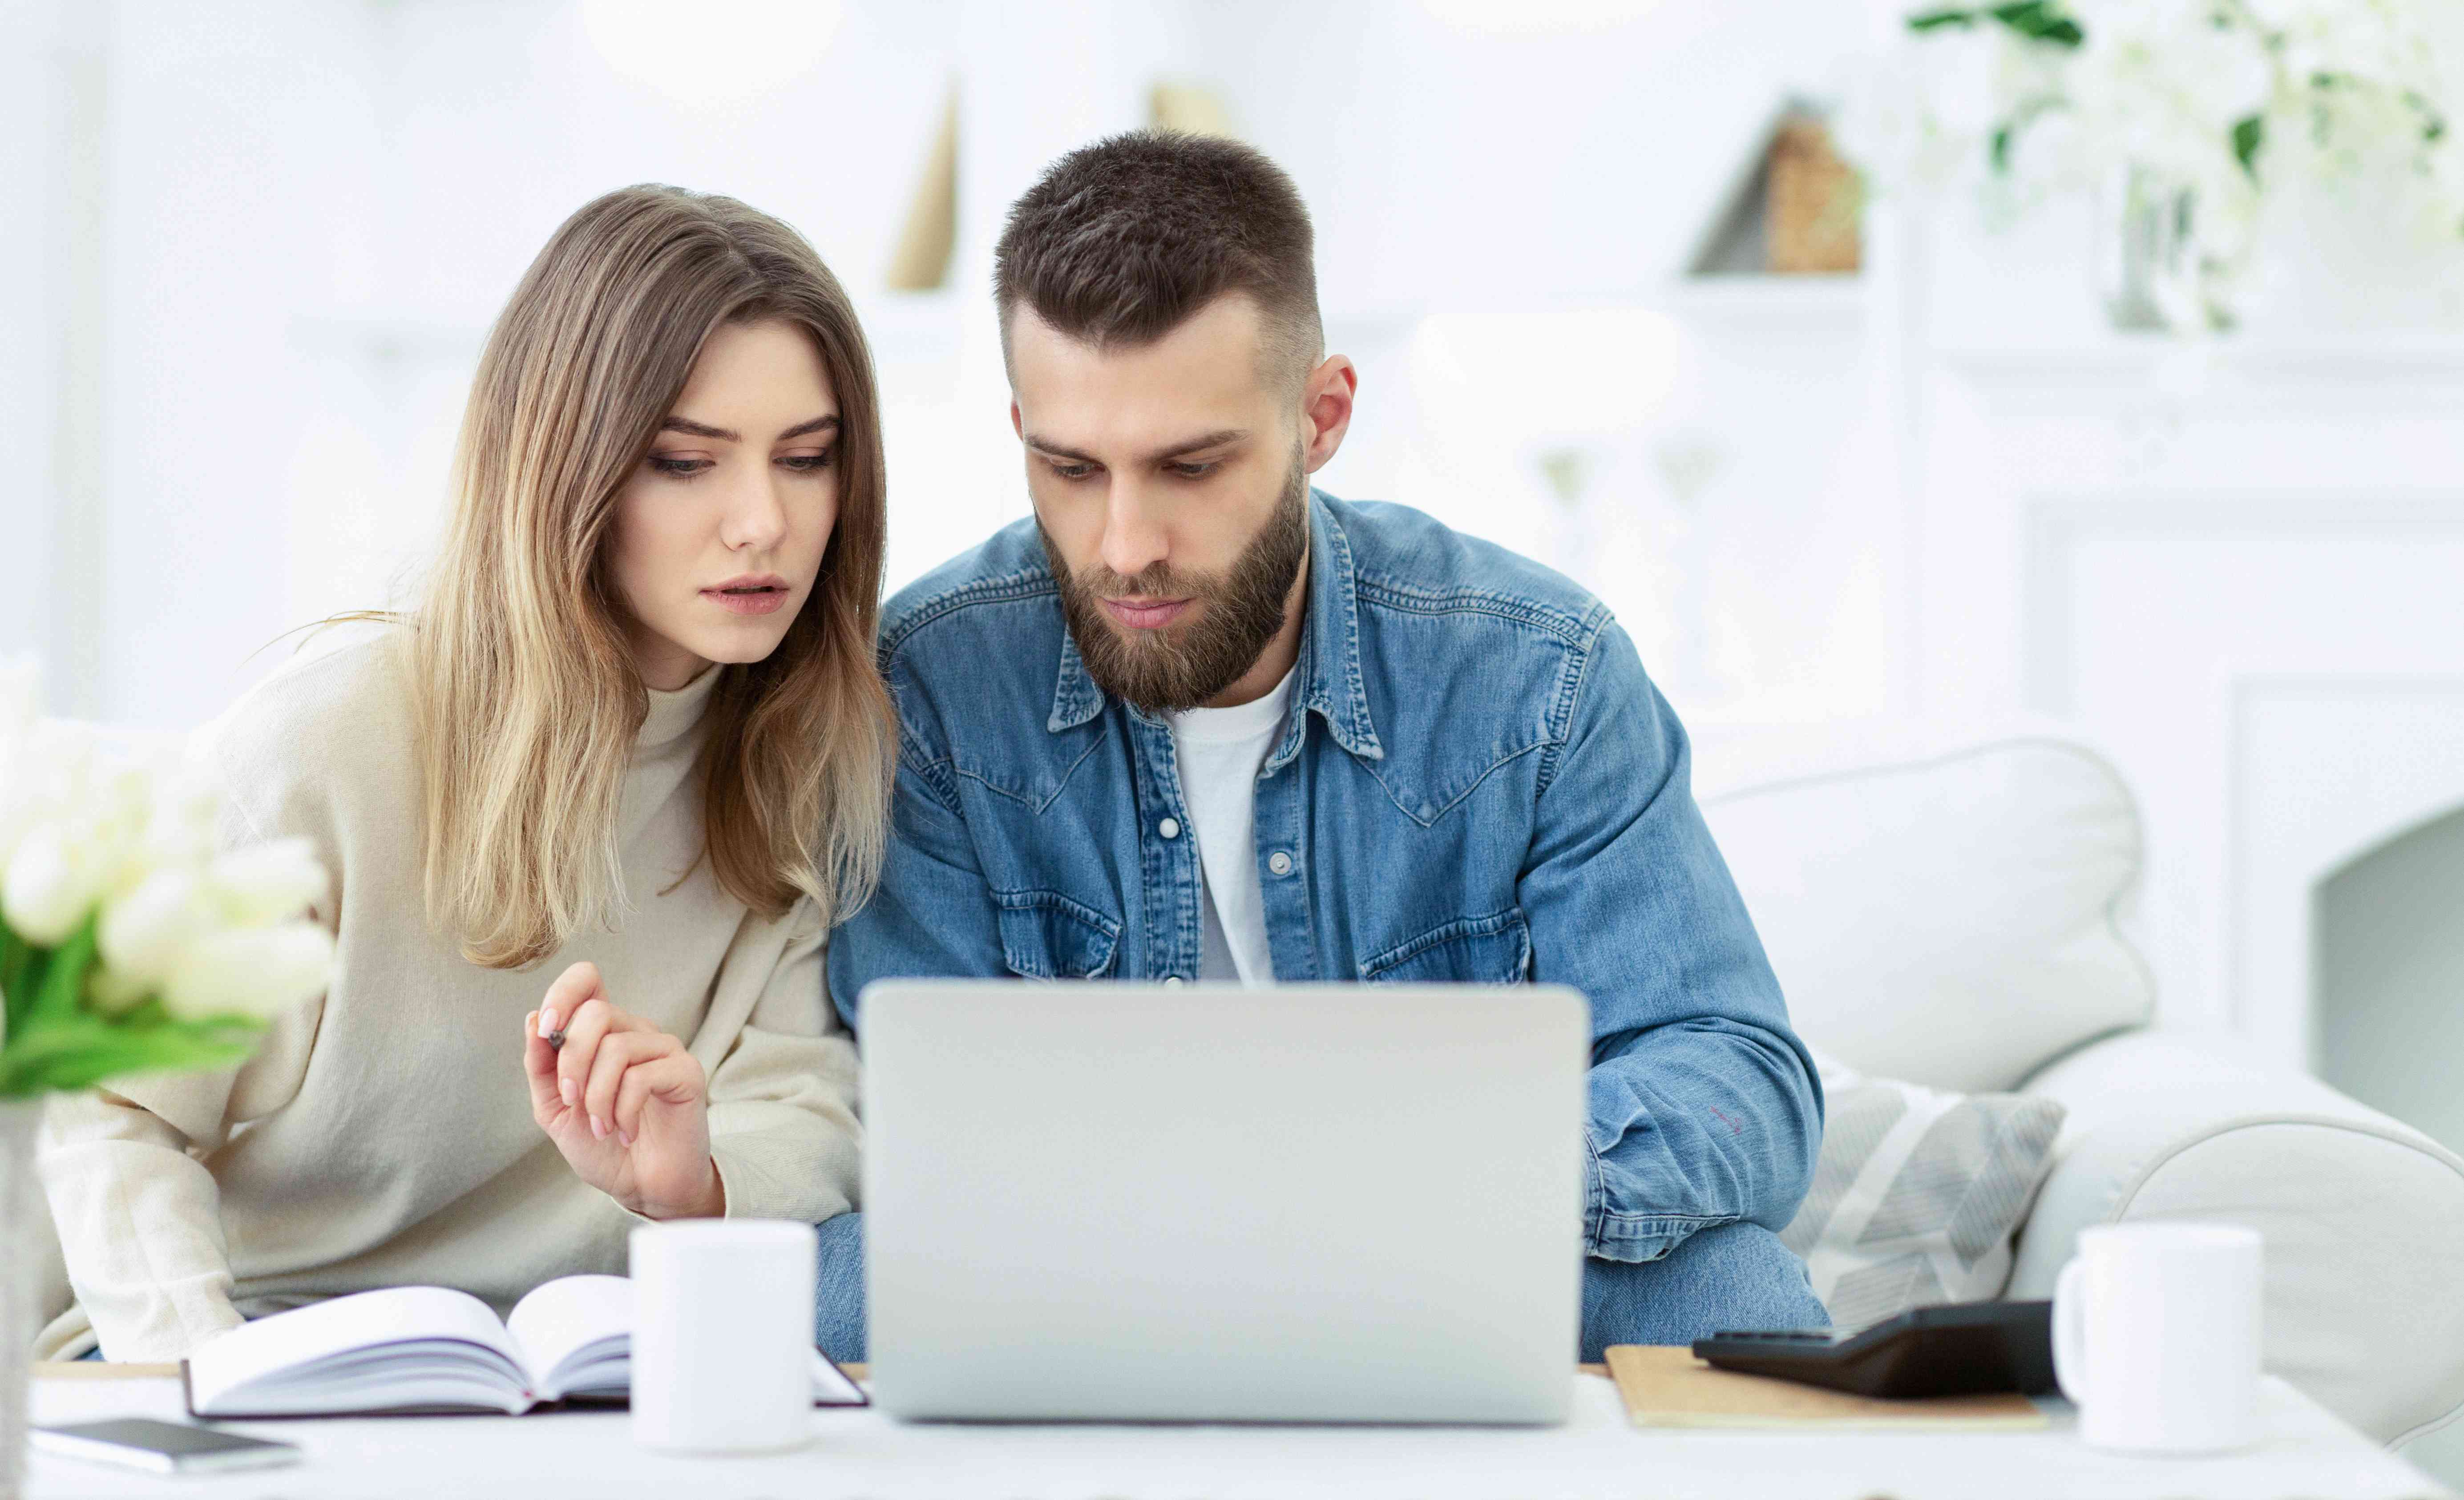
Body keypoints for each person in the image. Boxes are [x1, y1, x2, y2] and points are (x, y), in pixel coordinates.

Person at [821, 132, 1827, 1364]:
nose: (1124, 543)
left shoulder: (1538, 670)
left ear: (1323, 415)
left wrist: (1401, 1190)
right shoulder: (923, 684)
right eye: (1069, 468)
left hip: (1443, 1253)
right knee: (814, 1289)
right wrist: (1227, 1228)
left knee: (1732, 1289)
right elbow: (927, 1139)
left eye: (1190, 466)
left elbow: (1736, 1077)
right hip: (1084, 1273)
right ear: (1020, 425)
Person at [38, 185, 892, 1362]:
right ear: (568, 467)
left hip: (575, 1377)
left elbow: (806, 1111)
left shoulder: (804, 754)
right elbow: (105, 1113)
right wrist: (211, 1379)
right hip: (249, 1354)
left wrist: (691, 1180)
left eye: (807, 458)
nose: (764, 522)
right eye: (686, 462)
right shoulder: (325, 742)